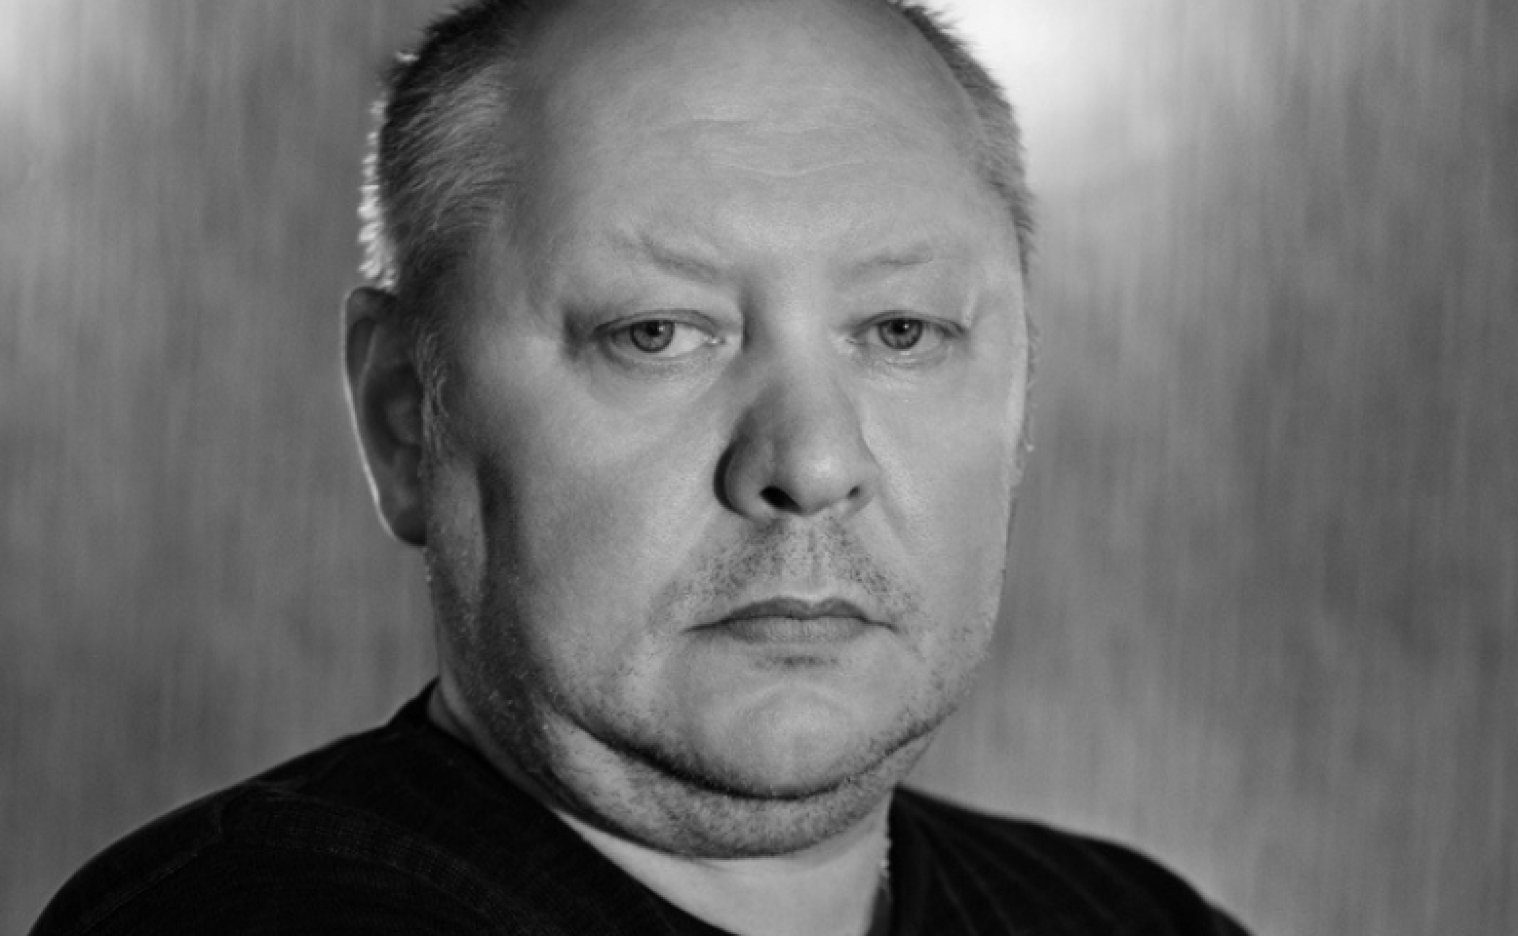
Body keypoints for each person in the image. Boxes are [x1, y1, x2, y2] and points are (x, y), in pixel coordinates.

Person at [34, 0, 1249, 933]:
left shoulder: (1132, 918)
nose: (811, 463)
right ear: (406, 416)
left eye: (900, 332)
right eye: (655, 334)